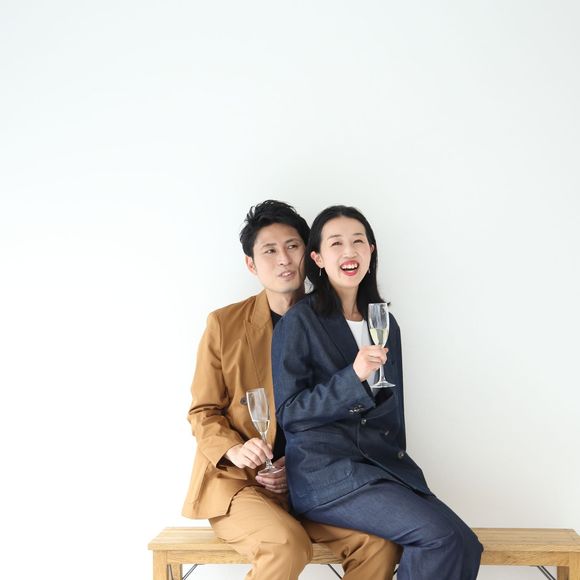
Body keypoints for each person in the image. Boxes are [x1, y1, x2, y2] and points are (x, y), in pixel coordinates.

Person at [181, 200, 400, 580]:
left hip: (311, 482)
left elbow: (345, 408)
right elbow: (203, 411)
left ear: (310, 253)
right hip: (240, 485)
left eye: (293, 246)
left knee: (379, 545)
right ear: (251, 264)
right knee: (286, 545)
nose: (284, 259)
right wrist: (236, 451)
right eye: (269, 250)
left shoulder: (336, 322)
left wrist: (300, 465)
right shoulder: (224, 324)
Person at [272, 205, 483, 580]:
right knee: (438, 538)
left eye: (358, 241)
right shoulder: (299, 321)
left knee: (464, 542)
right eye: (336, 243)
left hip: (379, 469)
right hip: (327, 475)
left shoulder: (384, 322)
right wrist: (352, 377)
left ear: (371, 251)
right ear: (317, 258)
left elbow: (393, 412)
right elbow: (290, 412)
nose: (349, 251)